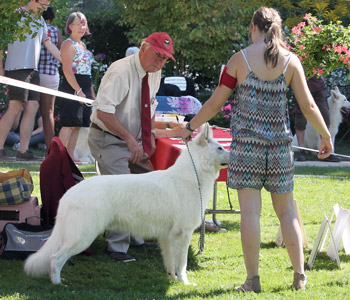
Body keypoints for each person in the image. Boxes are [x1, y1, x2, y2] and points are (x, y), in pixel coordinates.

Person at [181, 7, 333, 292]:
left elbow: (214, 104)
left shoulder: (239, 60)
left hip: (246, 149)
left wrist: (190, 127)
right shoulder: (291, 61)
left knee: (250, 213)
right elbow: (309, 106)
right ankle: (299, 277)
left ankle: (252, 280)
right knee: (287, 212)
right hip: (279, 149)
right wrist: (326, 137)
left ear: (253, 26)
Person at [88, 32, 175, 262]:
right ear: (144, 48)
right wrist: (130, 139)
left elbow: (150, 106)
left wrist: (151, 135)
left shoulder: (154, 73)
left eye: (164, 58)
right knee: (124, 190)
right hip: (107, 139)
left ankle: (136, 235)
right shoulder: (120, 71)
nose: (159, 62)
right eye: (157, 55)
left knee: (150, 187)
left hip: (131, 140)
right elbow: (103, 113)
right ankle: (116, 247)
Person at [0, 0, 61, 161]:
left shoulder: (40, 20)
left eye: (47, 5)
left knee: (33, 107)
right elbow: (1, 41)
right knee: (15, 108)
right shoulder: (17, 14)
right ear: (33, 0)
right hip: (16, 67)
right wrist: (0, 68)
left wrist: (66, 61)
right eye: (43, 3)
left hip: (33, 70)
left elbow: (49, 44)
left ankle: (23, 151)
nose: (45, 7)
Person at [58, 12, 95, 162]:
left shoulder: (83, 45)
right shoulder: (68, 44)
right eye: (78, 24)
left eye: (83, 23)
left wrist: (91, 93)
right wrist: (78, 91)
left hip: (84, 86)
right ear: (70, 26)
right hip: (72, 87)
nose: (81, 27)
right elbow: (67, 70)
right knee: (69, 124)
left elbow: (88, 72)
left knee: (78, 124)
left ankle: (70, 155)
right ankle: (57, 155)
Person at [294, 75, 340, 162]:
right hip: (300, 86)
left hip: (319, 87)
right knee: (300, 119)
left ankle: (325, 151)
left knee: (325, 117)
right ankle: (301, 151)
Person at [39, 6, 63, 151]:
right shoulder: (55, 31)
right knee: (48, 113)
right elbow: (61, 52)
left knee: (28, 110)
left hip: (35, 72)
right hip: (51, 74)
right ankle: (50, 149)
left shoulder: (34, 28)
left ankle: (22, 148)